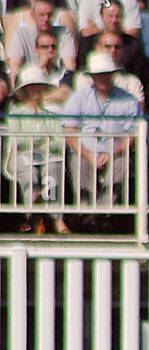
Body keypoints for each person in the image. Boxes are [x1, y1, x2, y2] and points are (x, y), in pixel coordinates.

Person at [63, 51, 139, 231]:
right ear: (92, 77)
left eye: (106, 74)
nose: (103, 79)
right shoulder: (79, 97)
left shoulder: (129, 100)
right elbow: (69, 131)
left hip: (116, 150)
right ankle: (88, 210)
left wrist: (113, 152)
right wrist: (89, 155)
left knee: (122, 164)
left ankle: (99, 213)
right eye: (99, 75)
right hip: (85, 150)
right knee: (78, 162)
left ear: (113, 75)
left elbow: (134, 133)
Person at [5, 65, 71, 234]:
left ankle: (57, 219)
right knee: (30, 172)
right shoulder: (15, 113)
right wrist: (43, 139)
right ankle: (32, 216)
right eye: (31, 86)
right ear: (25, 90)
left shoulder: (50, 115)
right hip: (20, 158)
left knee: (52, 169)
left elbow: (58, 141)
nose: (35, 90)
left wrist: (37, 142)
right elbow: (17, 141)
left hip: (47, 157)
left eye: (38, 85)